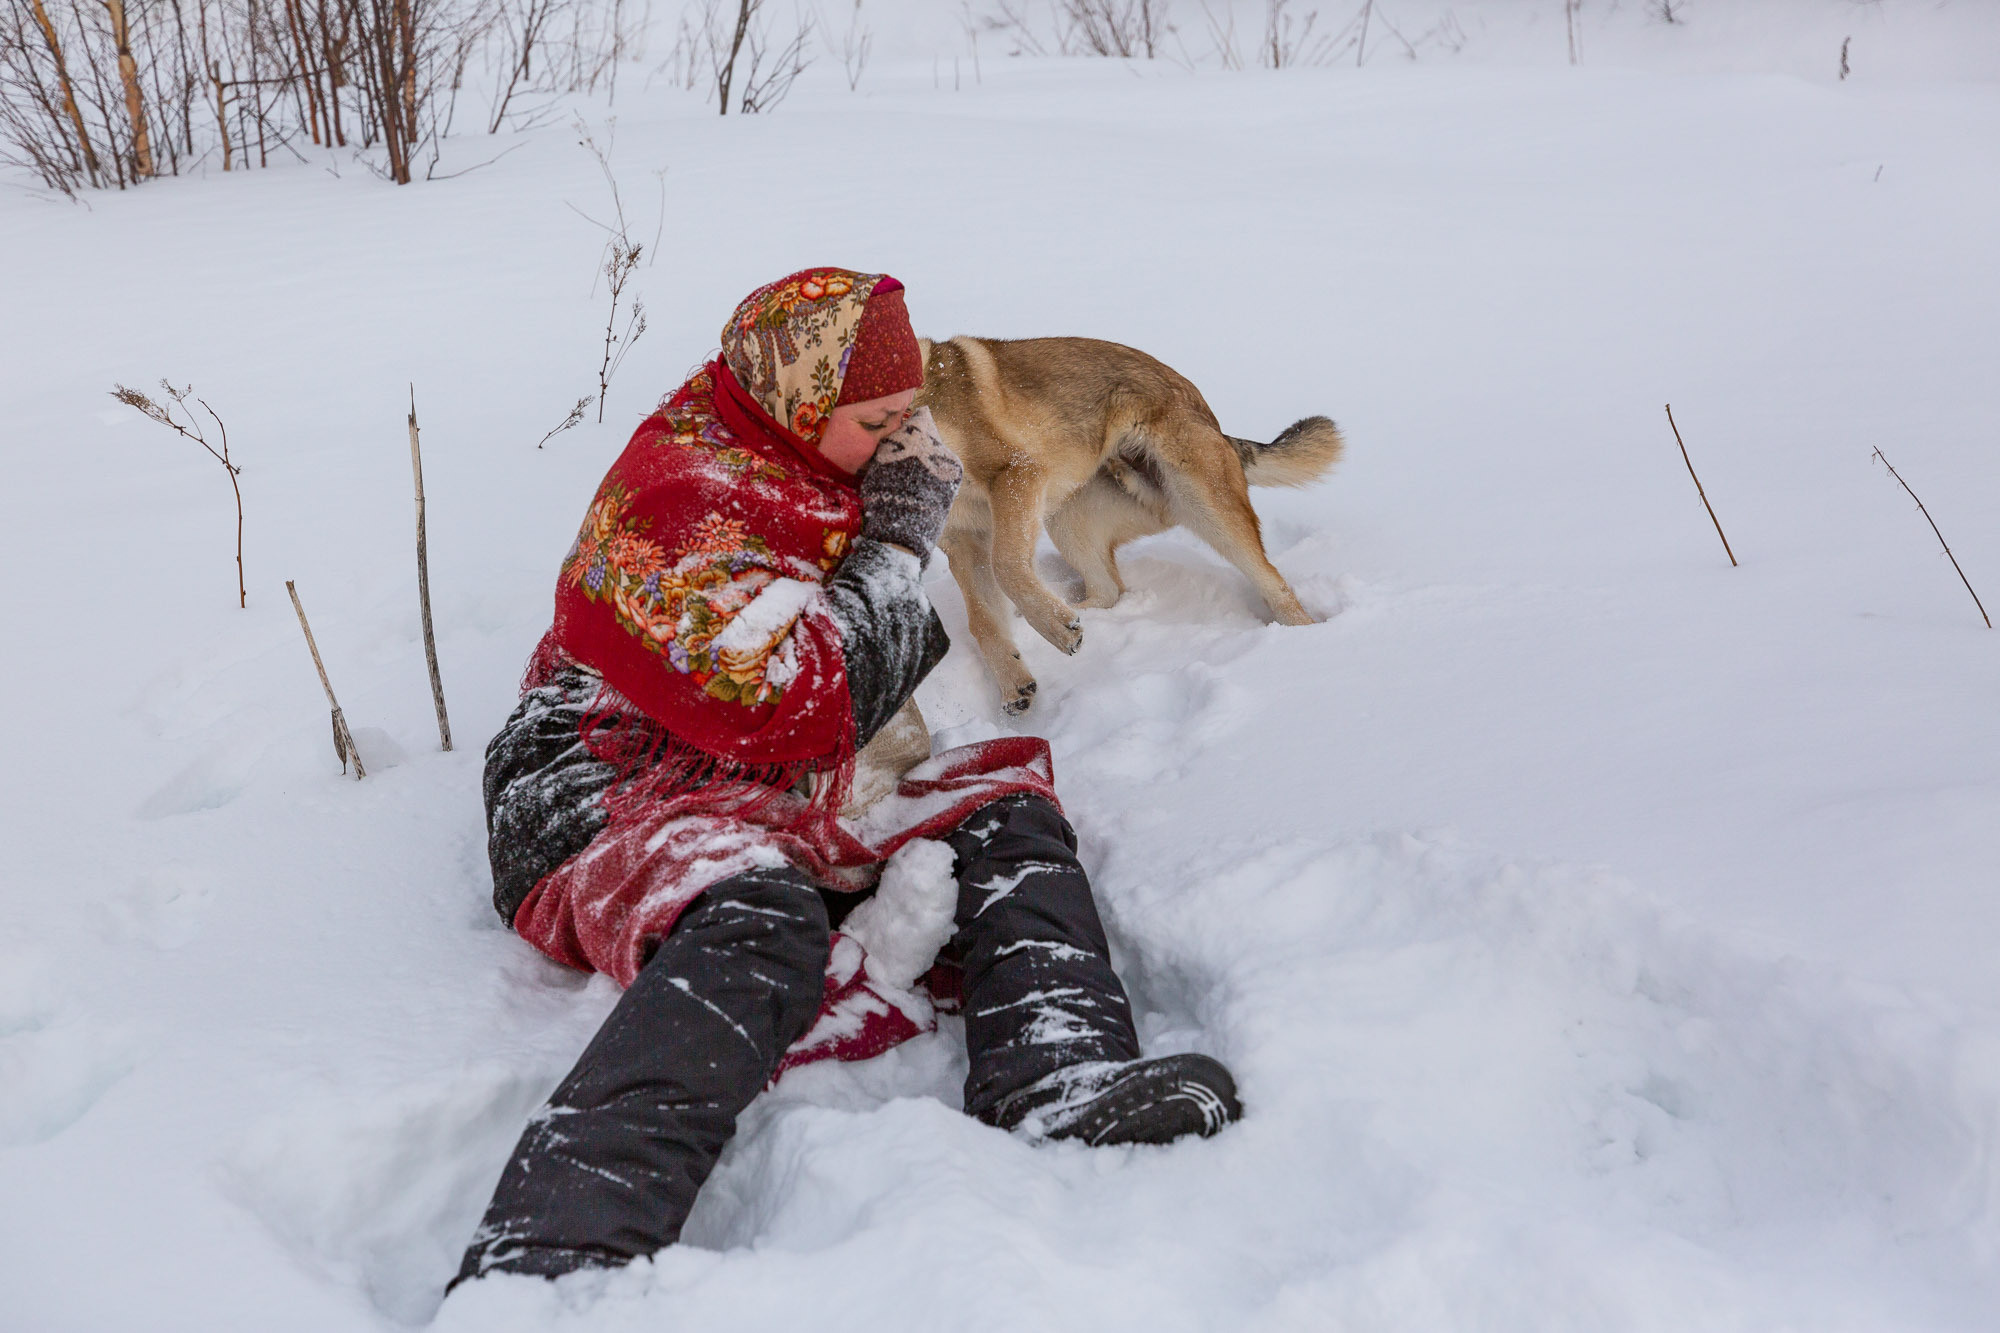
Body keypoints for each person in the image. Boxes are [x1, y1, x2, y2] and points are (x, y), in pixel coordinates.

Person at [454, 269, 1241, 1287]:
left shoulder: (797, 446)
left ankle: (1058, 1069)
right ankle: (555, 1235)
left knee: (1002, 812)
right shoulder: (681, 499)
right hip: (594, 769)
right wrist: (896, 541)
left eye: (909, 408)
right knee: (760, 913)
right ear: (799, 401)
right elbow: (790, 706)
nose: (902, 439)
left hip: (749, 746)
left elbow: (825, 703)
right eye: (877, 418)